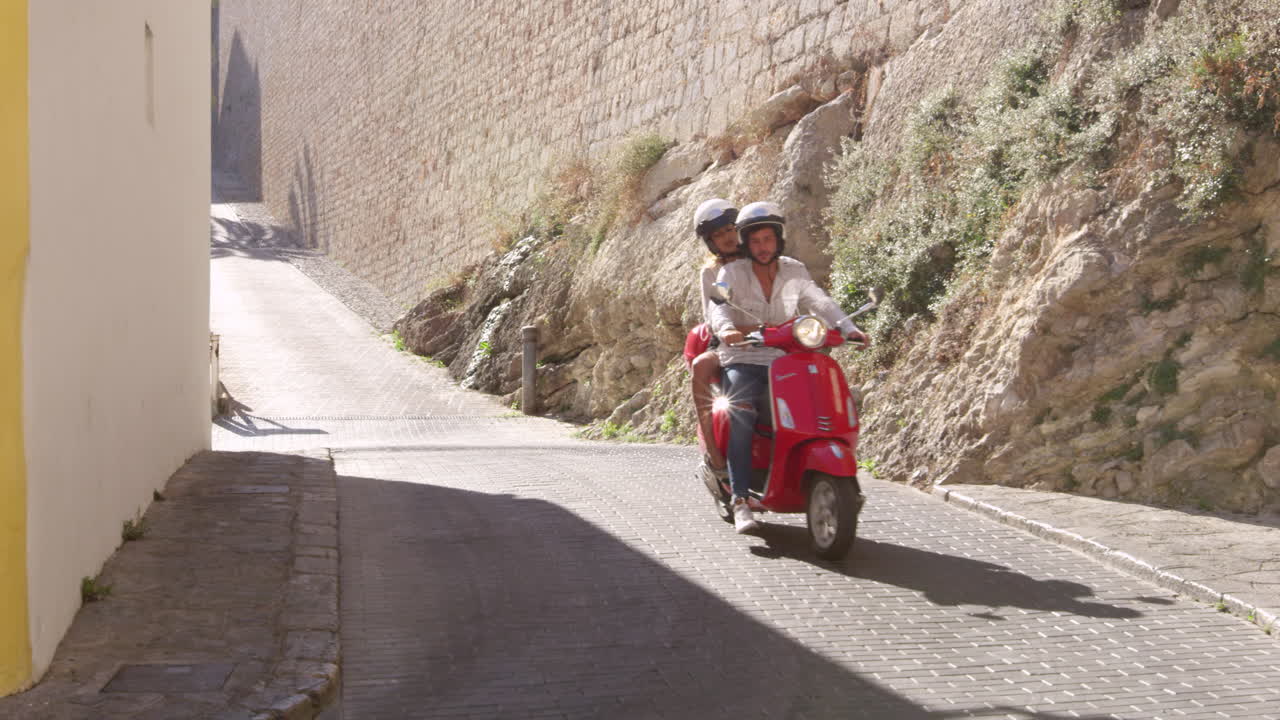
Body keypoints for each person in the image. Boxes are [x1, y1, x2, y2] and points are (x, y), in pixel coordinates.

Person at [710, 201, 868, 533]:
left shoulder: (795, 270)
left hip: (787, 359)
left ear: (778, 239)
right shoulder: (731, 273)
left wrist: (848, 328)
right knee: (740, 410)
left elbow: (819, 301)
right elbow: (719, 305)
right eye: (754, 241)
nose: (762, 247)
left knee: (819, 404)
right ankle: (740, 499)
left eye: (767, 239)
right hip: (745, 357)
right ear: (745, 243)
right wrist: (726, 329)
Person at [687, 199, 741, 481]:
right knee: (700, 367)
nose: (728, 237)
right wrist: (732, 329)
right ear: (711, 242)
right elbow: (712, 313)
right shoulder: (710, 272)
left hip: (772, 340)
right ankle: (715, 455)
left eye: (731, 229)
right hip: (729, 342)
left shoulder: (762, 259)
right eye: (719, 234)